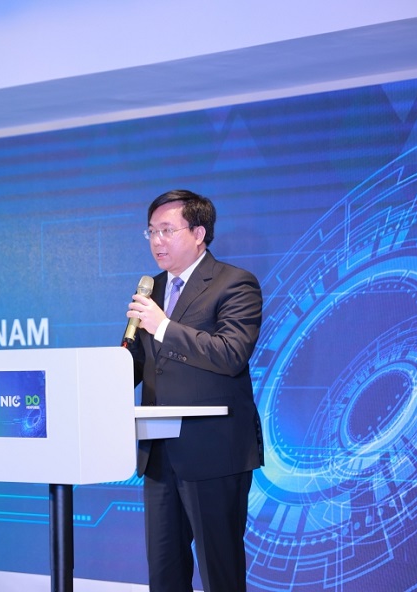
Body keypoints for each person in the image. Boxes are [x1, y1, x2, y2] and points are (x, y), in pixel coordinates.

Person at [125, 189, 264, 592]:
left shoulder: (235, 283)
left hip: (214, 452)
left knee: (220, 574)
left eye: (167, 230)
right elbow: (138, 363)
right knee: (164, 575)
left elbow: (231, 354)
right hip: (159, 454)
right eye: (151, 231)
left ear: (199, 233)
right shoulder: (152, 289)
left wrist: (163, 327)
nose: (157, 240)